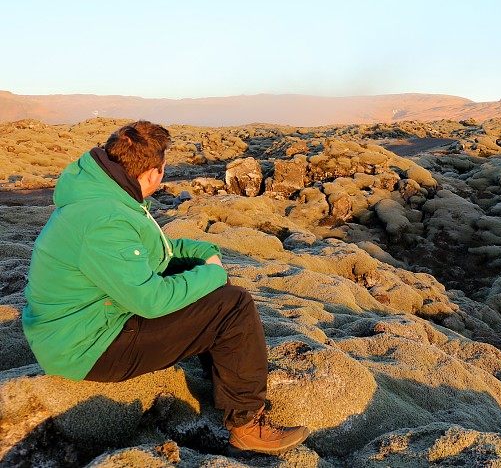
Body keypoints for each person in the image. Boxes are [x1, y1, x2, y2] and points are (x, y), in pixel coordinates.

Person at [22, 120, 309, 455]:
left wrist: (200, 254)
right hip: (87, 348)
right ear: (152, 173)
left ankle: (224, 375)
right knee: (233, 304)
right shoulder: (105, 218)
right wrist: (214, 275)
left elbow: (145, 253)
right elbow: (151, 301)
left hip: (92, 322)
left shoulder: (103, 192)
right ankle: (246, 425)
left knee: (208, 284)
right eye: (163, 168)